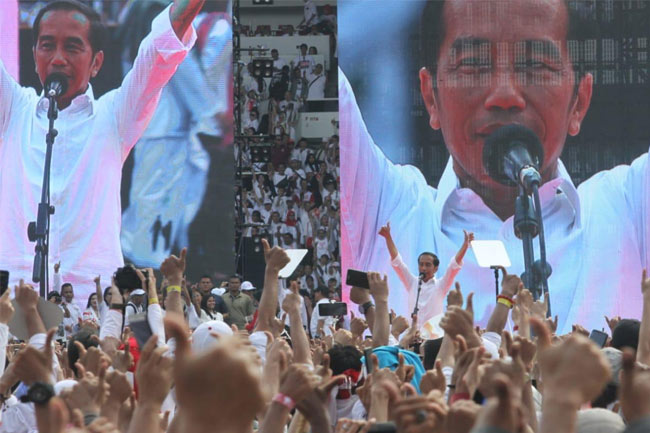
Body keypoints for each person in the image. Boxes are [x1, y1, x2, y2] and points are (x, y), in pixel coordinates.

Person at [339, 0, 649, 332]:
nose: (504, 95)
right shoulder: (382, 211)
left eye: (536, 64)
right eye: (473, 64)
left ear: (579, 101)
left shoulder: (630, 212)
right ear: (430, 96)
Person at [0, 0, 206, 300]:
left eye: (72, 47)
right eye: (47, 46)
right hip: (15, 302)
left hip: (93, 301)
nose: (58, 59)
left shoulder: (114, 115)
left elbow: (158, 52)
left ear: (96, 62)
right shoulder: (13, 110)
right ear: (34, 56)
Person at [379, 223, 474, 327]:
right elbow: (397, 262)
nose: (423, 268)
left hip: (433, 335)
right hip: (412, 333)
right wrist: (388, 237)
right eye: (421, 264)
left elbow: (454, 265)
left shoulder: (441, 285)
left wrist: (465, 246)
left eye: (428, 265)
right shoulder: (412, 282)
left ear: (436, 268)